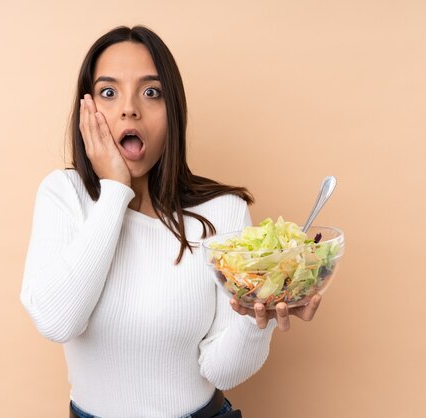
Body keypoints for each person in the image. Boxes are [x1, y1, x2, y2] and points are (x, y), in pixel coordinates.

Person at [20, 25, 321, 418]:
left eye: (151, 92)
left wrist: (254, 319)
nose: (130, 108)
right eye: (109, 92)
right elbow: (57, 321)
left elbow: (221, 370)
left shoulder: (223, 210)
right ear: (87, 110)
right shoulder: (65, 195)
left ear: (173, 110)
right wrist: (114, 190)